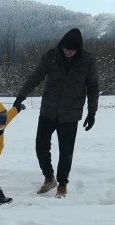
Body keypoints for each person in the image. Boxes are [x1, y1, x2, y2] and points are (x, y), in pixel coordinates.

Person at [13, 28, 99, 198]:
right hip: (48, 110)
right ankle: (49, 177)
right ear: (61, 46)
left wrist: (92, 112)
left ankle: (62, 185)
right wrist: (21, 95)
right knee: (41, 145)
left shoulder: (88, 61)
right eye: (66, 49)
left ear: (78, 49)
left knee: (66, 151)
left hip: (70, 113)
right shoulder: (51, 56)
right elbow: (36, 76)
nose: (68, 53)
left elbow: (93, 87)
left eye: (72, 50)